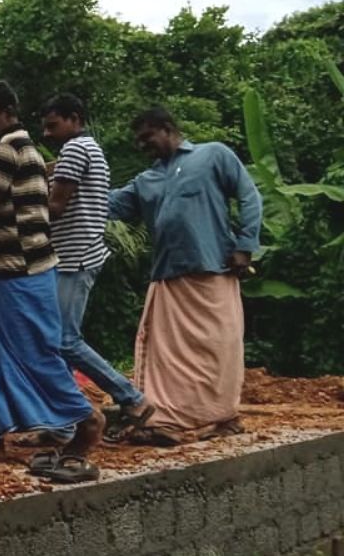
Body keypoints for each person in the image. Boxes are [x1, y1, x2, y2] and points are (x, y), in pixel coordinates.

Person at [0, 81, 103, 472]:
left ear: (8, 111)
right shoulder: (23, 148)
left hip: (20, 272)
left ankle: (88, 421)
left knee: (33, 354)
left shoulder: (8, 149)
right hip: (6, 270)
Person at [108, 107, 262, 446]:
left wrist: (246, 246)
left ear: (166, 129)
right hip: (168, 277)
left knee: (218, 349)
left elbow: (250, 196)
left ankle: (219, 415)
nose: (142, 146)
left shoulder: (212, 155)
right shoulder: (145, 181)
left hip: (214, 271)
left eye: (146, 138)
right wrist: (70, 186)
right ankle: (165, 418)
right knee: (167, 358)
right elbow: (107, 204)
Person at [30, 93, 153, 446]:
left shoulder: (75, 151)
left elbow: (54, 207)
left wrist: (13, 205)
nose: (47, 133)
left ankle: (132, 398)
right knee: (54, 342)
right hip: (77, 254)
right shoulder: (90, 150)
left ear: (74, 118)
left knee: (64, 339)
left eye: (53, 125)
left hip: (75, 256)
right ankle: (64, 423)